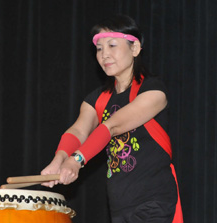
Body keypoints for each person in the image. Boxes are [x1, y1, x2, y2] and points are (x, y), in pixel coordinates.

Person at [41, 15, 183, 222]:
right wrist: (59, 159)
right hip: (119, 204)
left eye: (112, 45)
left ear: (134, 48)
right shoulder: (97, 99)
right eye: (99, 48)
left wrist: (77, 160)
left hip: (153, 201)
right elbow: (78, 131)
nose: (104, 54)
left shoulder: (153, 91)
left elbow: (113, 126)